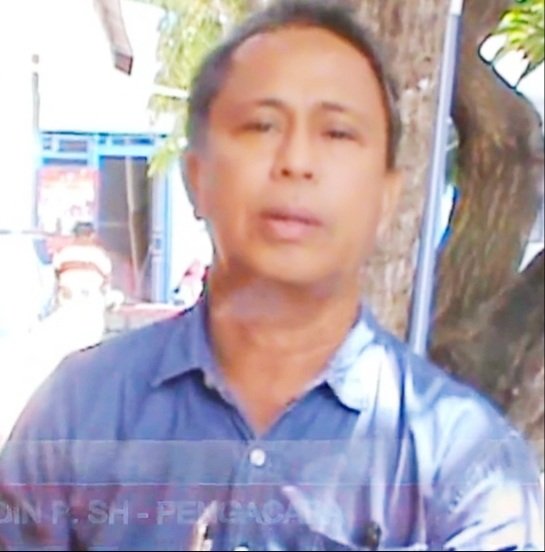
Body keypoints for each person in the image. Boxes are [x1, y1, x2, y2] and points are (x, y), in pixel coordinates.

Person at [0, 1, 542, 550]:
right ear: (196, 178)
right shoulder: (79, 413)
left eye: (337, 133)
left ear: (387, 198)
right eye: (261, 125)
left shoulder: (467, 468)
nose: (296, 161)